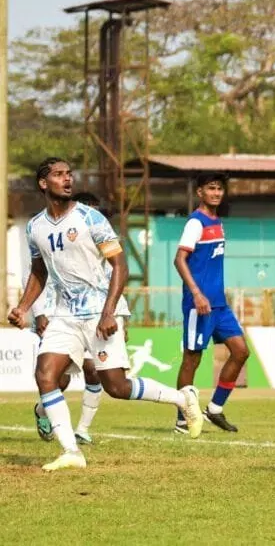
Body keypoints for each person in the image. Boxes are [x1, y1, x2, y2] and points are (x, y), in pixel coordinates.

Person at [8, 157, 203, 471]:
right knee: (45, 375)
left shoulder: (90, 217)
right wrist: (23, 307)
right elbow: (39, 271)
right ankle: (71, 450)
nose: (67, 179)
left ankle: (182, 399)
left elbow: (120, 265)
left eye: (69, 174)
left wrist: (109, 312)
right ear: (43, 183)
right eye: (58, 175)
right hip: (64, 315)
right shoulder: (35, 227)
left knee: (116, 387)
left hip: (99, 311)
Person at [23, 191, 119, 446]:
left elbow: (114, 278)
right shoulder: (45, 233)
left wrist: (117, 315)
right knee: (58, 379)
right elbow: (34, 275)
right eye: (87, 207)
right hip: (58, 315)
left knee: (95, 372)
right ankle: (43, 410)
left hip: (93, 315)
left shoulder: (98, 241)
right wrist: (38, 313)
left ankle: (82, 431)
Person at [173, 172, 250, 434]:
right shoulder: (196, 222)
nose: (216, 193)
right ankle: (182, 419)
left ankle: (214, 409)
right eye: (211, 188)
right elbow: (179, 260)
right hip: (199, 304)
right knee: (192, 359)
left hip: (219, 304)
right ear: (200, 192)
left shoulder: (217, 221)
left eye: (219, 189)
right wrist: (196, 293)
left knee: (241, 351)